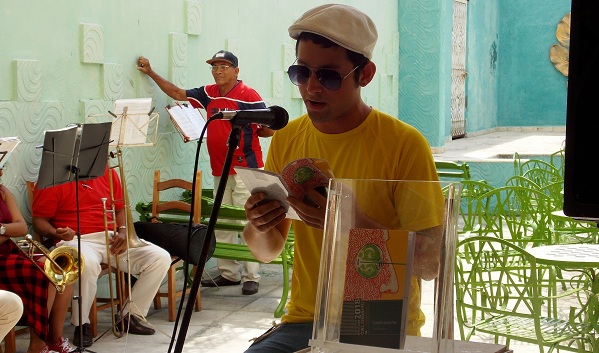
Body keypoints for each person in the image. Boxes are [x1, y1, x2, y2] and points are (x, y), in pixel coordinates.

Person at [241, 4, 443, 353]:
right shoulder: (287, 138)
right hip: (306, 320)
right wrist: (259, 225)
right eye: (301, 73)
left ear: (365, 75)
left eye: (329, 76)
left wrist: (350, 222)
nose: (312, 87)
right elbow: (268, 251)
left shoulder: (404, 144)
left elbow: (430, 264)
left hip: (380, 317)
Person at [137, 50, 272, 296]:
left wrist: (257, 130)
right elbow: (178, 93)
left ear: (236, 71)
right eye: (215, 66)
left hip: (247, 169)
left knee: (248, 221)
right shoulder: (209, 93)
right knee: (222, 222)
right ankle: (229, 273)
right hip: (220, 168)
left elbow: (269, 128)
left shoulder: (248, 95)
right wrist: (151, 72)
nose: (218, 71)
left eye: (224, 66)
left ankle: (251, 276)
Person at [32, 167, 171, 348]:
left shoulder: (108, 172)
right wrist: (54, 232)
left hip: (110, 237)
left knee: (160, 257)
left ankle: (129, 316)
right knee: (85, 264)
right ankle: (81, 324)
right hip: (75, 239)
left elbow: (120, 209)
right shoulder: (52, 175)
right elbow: (38, 221)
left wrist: (122, 231)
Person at [0, 168, 73, 353]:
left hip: (8, 251)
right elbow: (14, 228)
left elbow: (21, 227)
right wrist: (8, 230)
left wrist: (1, 230)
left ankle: (54, 340)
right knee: (44, 272)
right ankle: (37, 346)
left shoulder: (2, 191)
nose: (1, 173)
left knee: (60, 269)